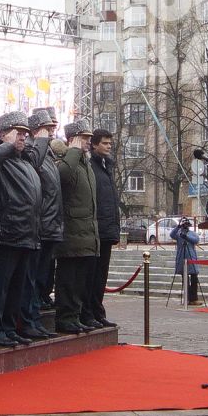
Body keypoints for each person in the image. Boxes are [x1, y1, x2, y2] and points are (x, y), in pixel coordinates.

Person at [0, 113, 47, 347]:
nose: (23, 137)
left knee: (16, 288)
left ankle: (9, 328)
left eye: (25, 133)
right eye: (17, 132)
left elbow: (37, 155)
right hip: (6, 232)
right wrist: (7, 146)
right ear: (3, 134)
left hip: (27, 233)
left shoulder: (24, 160)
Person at [55, 122, 103, 332]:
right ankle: (66, 317)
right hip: (71, 232)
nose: (88, 142)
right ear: (73, 139)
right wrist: (73, 150)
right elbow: (62, 177)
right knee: (68, 280)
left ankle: (76, 316)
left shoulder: (85, 164)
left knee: (80, 281)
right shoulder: (66, 159)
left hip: (86, 232)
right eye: (83, 137)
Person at [22, 108, 66, 330]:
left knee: (40, 278)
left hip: (51, 224)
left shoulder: (47, 153)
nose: (51, 133)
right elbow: (32, 168)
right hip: (39, 225)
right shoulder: (32, 150)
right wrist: (39, 141)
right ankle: (29, 319)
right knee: (31, 278)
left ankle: (35, 318)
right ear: (36, 130)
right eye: (47, 128)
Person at [85, 130, 123, 326]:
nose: (109, 146)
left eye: (110, 143)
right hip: (95, 230)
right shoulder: (91, 166)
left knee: (101, 276)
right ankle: (88, 313)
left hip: (107, 231)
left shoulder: (107, 167)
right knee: (91, 276)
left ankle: (98, 311)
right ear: (94, 145)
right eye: (105, 143)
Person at [172, 218, 200, 304]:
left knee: (194, 277)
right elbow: (172, 235)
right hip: (182, 258)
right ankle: (187, 298)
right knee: (185, 280)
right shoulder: (178, 233)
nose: (185, 227)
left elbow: (196, 240)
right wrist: (178, 226)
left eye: (187, 225)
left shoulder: (192, 233)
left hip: (191, 257)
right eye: (184, 225)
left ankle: (194, 298)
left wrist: (186, 237)